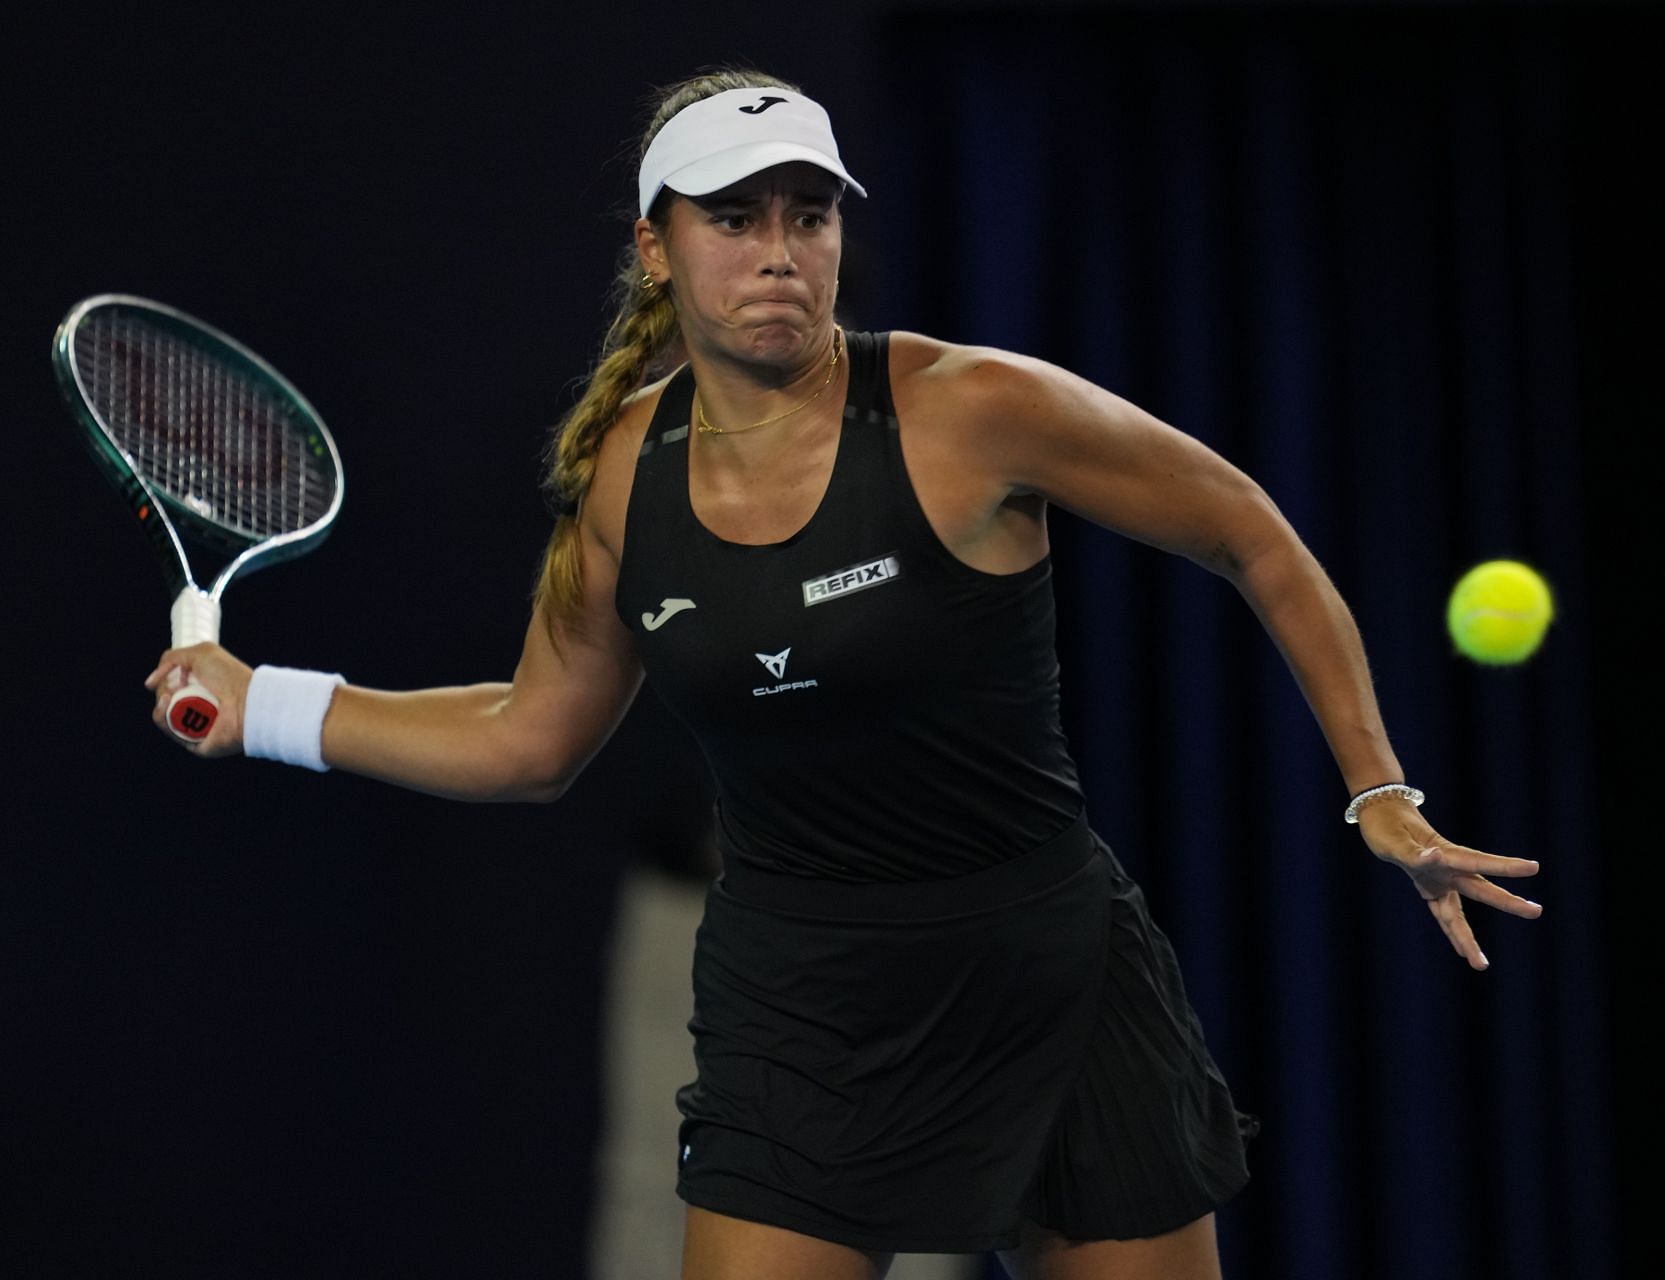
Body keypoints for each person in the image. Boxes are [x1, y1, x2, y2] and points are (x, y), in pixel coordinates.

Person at [145, 69, 1543, 1280]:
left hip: (1047, 982)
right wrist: (262, 704)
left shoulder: (976, 408)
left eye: (807, 215)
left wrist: (1379, 788)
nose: (780, 254)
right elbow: (529, 736)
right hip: (800, 1007)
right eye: (734, 218)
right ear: (656, 249)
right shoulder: (627, 472)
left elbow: (1252, 535)